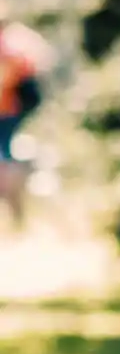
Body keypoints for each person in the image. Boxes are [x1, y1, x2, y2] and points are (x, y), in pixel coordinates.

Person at [0, 18, 48, 231]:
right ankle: (16, 213)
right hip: (11, 109)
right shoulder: (16, 42)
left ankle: (15, 210)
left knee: (4, 158)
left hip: (6, 110)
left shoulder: (7, 48)